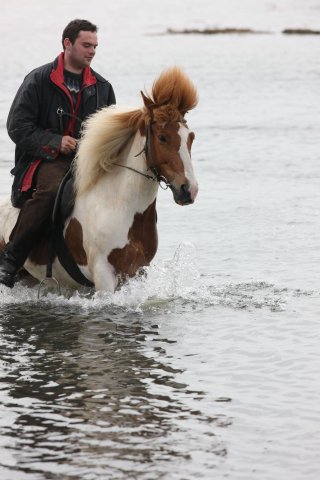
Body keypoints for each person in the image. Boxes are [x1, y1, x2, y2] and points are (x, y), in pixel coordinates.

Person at [0, 19, 116, 288]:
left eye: (95, 46)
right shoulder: (39, 80)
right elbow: (17, 126)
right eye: (86, 45)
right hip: (44, 159)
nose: (92, 51)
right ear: (67, 44)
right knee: (52, 191)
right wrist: (55, 142)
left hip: (88, 162)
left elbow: (111, 136)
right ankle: (11, 260)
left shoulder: (103, 87)